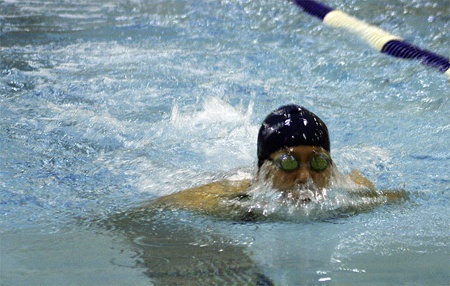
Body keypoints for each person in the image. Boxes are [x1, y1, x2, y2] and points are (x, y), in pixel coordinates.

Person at [143, 104, 405, 219]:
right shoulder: (231, 200)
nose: (305, 177)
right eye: (289, 163)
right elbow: (159, 207)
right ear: (263, 171)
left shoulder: (352, 194)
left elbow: (400, 198)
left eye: (317, 163)